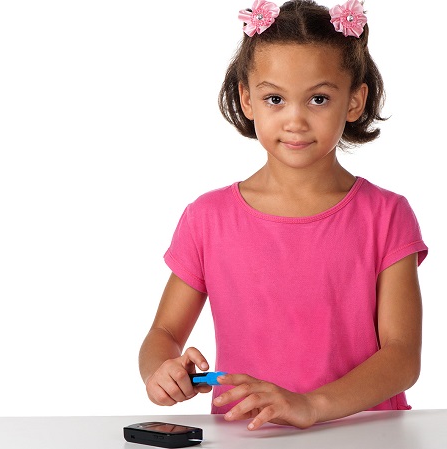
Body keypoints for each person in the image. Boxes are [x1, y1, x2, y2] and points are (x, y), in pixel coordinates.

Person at [138, 0, 428, 431]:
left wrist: (310, 405)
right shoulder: (207, 219)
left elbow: (402, 356)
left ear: (354, 101)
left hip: (366, 434)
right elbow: (162, 335)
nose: (295, 120)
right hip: (248, 436)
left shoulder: (386, 215)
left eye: (318, 98)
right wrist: (162, 371)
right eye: (275, 98)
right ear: (247, 99)